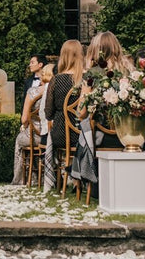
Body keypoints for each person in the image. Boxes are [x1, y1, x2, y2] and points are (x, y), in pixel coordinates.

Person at [45, 39, 84, 190]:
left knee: (60, 142)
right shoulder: (87, 79)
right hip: (83, 133)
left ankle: (68, 176)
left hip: (62, 134)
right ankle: (78, 177)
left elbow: (48, 113)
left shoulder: (57, 79)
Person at [12, 61, 47, 184]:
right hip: (49, 135)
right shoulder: (54, 92)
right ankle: (42, 177)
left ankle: (22, 179)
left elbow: (24, 119)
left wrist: (26, 126)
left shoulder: (32, 92)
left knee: (19, 140)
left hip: (34, 135)